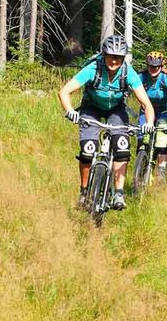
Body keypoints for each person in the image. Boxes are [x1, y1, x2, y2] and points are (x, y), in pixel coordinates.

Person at [58, 35, 155, 210]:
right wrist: (70, 111)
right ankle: (84, 192)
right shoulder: (93, 68)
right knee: (87, 150)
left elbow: (146, 103)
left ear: (123, 58)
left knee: (122, 147)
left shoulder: (128, 73)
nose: (113, 60)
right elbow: (64, 91)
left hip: (116, 110)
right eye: (110, 56)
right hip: (91, 108)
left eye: (118, 57)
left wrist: (148, 122)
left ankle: (118, 193)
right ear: (104, 54)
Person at [137, 51, 167, 180]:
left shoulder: (165, 78)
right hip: (146, 108)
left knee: (162, 137)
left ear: (161, 66)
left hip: (165, 109)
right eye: (150, 67)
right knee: (142, 136)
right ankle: (140, 167)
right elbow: (128, 91)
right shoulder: (141, 76)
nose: (153, 70)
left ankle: (162, 171)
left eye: (156, 67)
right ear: (147, 66)